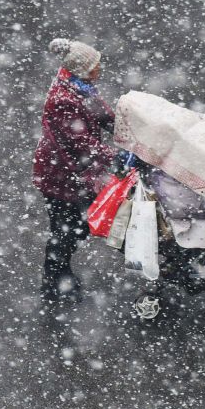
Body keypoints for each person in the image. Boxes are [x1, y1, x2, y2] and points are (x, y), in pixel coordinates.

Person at [32, 38, 119, 301]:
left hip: (72, 173)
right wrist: (117, 155)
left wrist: (125, 129)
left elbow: (103, 115)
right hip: (61, 175)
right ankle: (53, 280)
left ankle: (59, 273)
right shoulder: (64, 99)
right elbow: (82, 144)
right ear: (83, 70)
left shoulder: (80, 86)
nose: (99, 68)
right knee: (66, 230)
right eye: (95, 65)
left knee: (75, 227)